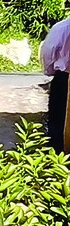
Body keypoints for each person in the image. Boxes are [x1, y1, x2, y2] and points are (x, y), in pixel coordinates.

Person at [41, 16, 70, 153]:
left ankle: (57, 156)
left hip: (64, 77)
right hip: (63, 77)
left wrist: (50, 71)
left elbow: (48, 52)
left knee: (58, 119)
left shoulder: (61, 28)